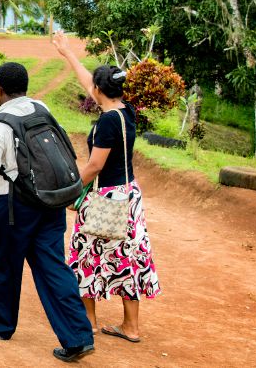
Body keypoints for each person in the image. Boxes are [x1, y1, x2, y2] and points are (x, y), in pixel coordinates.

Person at [0, 55, 94, 363]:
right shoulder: (41, 108)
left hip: (13, 206)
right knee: (52, 266)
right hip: (49, 200)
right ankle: (78, 337)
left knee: (5, 265)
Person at [53, 31, 161, 343]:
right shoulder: (126, 110)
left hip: (106, 197)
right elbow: (90, 82)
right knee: (128, 254)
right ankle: (131, 326)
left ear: (100, 90)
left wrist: (71, 191)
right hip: (129, 193)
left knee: (87, 254)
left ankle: (88, 320)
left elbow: (94, 166)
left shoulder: (107, 122)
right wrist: (68, 53)